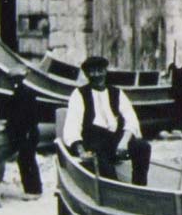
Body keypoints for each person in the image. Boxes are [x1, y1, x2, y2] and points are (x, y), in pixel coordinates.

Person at [62, 55, 152, 185]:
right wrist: (81, 151)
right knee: (107, 172)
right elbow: (72, 125)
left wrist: (124, 142)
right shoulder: (79, 94)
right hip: (93, 142)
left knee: (143, 147)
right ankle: (115, 191)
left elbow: (131, 119)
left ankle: (139, 187)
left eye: (100, 70)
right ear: (87, 74)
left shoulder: (117, 92)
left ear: (105, 71)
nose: (97, 75)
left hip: (115, 140)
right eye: (92, 71)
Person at [4, 71, 43, 198]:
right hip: (28, 132)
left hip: (27, 133)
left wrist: (26, 132)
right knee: (27, 160)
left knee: (26, 160)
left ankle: (33, 190)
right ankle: (33, 189)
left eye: (15, 79)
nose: (13, 82)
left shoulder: (22, 94)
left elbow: (26, 116)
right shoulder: (25, 92)